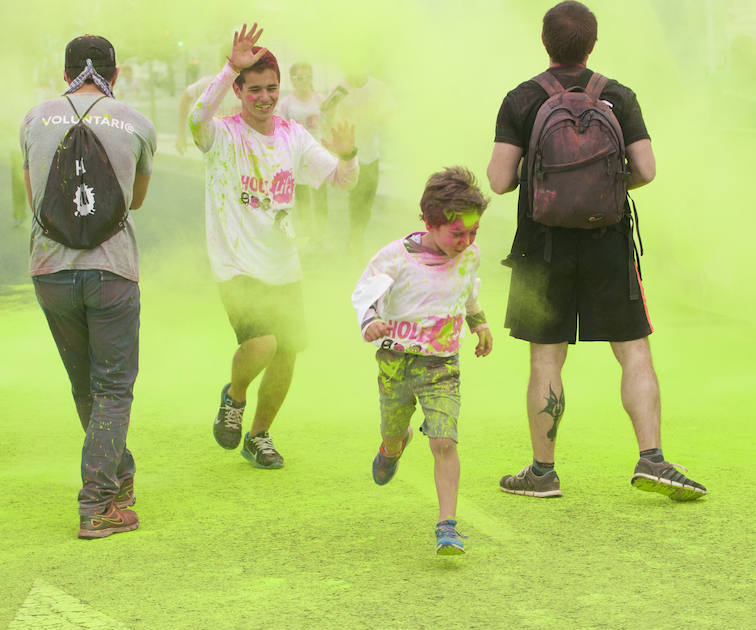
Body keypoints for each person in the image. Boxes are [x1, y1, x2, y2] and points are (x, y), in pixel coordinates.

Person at [486, 1, 706, 501]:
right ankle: (652, 458)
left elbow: (499, 180)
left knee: (546, 360)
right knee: (633, 352)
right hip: (609, 242)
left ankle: (543, 473)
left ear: (545, 43)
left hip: (541, 246)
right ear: (593, 43)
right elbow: (646, 171)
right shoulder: (618, 96)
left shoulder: (522, 99)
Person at [190, 23, 358, 469]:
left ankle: (259, 436)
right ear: (239, 93)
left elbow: (343, 180)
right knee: (262, 344)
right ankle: (234, 396)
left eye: (271, 88)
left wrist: (348, 154)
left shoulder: (292, 136)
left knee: (287, 352)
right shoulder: (221, 135)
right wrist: (230, 67)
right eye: (254, 89)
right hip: (236, 263)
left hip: (285, 265)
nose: (264, 97)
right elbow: (195, 118)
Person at [20, 35, 156, 538]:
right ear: (114, 75)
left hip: (51, 270)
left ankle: (119, 478)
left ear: (65, 74)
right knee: (114, 388)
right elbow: (134, 202)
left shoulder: (34, 119)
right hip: (112, 270)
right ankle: (97, 505)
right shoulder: (137, 123)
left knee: (85, 386)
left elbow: (34, 197)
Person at [352, 166, 492, 555]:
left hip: (442, 368)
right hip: (396, 365)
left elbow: (468, 294)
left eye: (473, 232)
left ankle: (447, 525)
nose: (466, 241)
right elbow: (366, 294)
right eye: (457, 233)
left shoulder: (469, 256)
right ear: (431, 223)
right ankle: (393, 448)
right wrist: (371, 322)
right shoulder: (395, 258)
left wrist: (480, 325)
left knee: (444, 440)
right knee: (392, 432)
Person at [322, 71, 393, 256]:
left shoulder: (378, 88)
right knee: (355, 199)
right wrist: (328, 113)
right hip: (351, 155)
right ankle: (356, 239)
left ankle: (357, 236)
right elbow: (329, 120)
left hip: (372, 153)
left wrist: (378, 116)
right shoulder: (339, 89)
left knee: (368, 199)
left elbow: (389, 118)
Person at [276, 62, 328, 246]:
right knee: (303, 197)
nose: (304, 81)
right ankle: (308, 237)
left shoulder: (321, 100)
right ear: (292, 80)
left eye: (307, 77)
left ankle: (321, 235)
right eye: (299, 78)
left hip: (318, 157)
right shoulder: (286, 103)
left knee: (321, 197)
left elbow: (330, 124)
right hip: (298, 159)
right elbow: (280, 133)